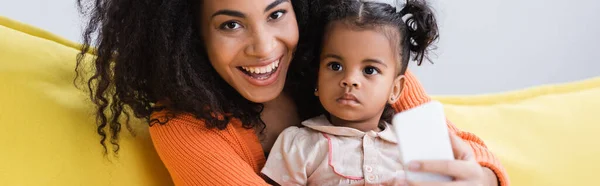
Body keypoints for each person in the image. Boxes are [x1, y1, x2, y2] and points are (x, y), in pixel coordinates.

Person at [75, 0, 508, 185]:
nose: (264, 47)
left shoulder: (353, 64)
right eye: (230, 24)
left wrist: (483, 178)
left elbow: (462, 150)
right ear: (188, 36)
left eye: (277, 13)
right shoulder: (184, 129)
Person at [261, 0, 504, 185]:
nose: (349, 80)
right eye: (335, 66)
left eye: (369, 70)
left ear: (396, 89)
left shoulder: (413, 144)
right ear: (317, 78)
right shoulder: (298, 144)